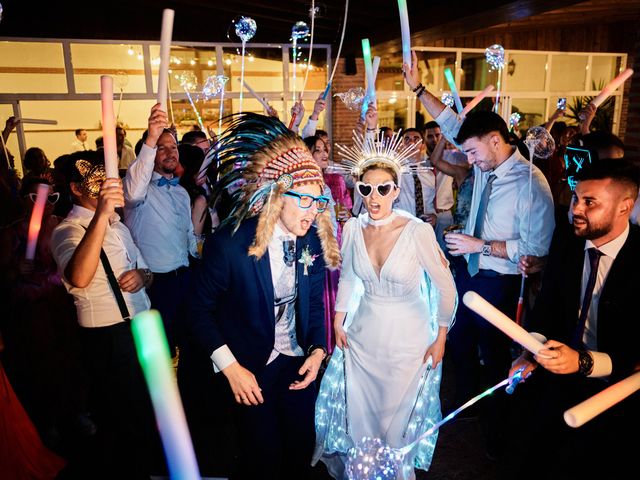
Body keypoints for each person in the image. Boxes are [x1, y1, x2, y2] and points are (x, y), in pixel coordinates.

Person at [180, 112, 340, 480]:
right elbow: (197, 313)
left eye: (320, 202)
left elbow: (314, 304)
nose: (313, 211)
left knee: (300, 450)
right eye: (305, 200)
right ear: (278, 196)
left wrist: (317, 351)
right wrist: (231, 369)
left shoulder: (312, 240)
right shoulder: (230, 245)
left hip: (297, 359)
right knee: (261, 456)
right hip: (251, 365)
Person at [314, 131, 457, 480]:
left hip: (409, 342)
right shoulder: (351, 229)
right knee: (362, 418)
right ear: (358, 190)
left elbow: (446, 289)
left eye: (382, 188)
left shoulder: (417, 231)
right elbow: (349, 278)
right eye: (366, 188)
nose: (373, 196)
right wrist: (338, 320)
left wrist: (440, 338)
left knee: (396, 425)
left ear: (396, 190)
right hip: (363, 337)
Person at [508, 159, 640, 478]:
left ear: (625, 207)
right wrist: (531, 351)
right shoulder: (568, 241)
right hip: (560, 374)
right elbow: (547, 310)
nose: (576, 209)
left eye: (590, 202)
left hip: (620, 387)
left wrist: (581, 362)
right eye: (577, 198)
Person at [440, 111, 555, 459]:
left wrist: (480, 245)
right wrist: (417, 90)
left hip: (500, 281)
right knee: (460, 343)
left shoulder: (530, 182)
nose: (469, 161)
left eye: (473, 152)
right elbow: (451, 125)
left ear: (495, 140)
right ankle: (465, 406)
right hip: (469, 273)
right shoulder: (483, 167)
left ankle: (496, 429)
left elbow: (537, 248)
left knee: (493, 357)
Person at [51, 155, 158, 478]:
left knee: (146, 415)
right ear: (74, 188)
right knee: (118, 422)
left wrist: (142, 276)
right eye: (95, 180)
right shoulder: (67, 230)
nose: (105, 186)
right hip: (108, 337)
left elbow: (147, 271)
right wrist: (99, 214)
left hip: (143, 326)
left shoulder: (119, 227)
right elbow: (79, 277)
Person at [123, 103, 197, 353]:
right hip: (156, 284)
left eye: (173, 147)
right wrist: (151, 136)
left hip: (185, 279)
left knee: (191, 348)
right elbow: (133, 192)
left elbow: (189, 238)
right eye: (160, 147)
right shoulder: (137, 192)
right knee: (160, 356)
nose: (169, 152)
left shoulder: (181, 192)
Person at [304, 134, 352, 353]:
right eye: (318, 150)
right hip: (316, 253)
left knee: (334, 301)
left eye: (325, 149)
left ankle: (330, 348)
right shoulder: (307, 184)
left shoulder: (323, 183)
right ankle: (321, 349)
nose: (325, 154)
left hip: (331, 249)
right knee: (320, 302)